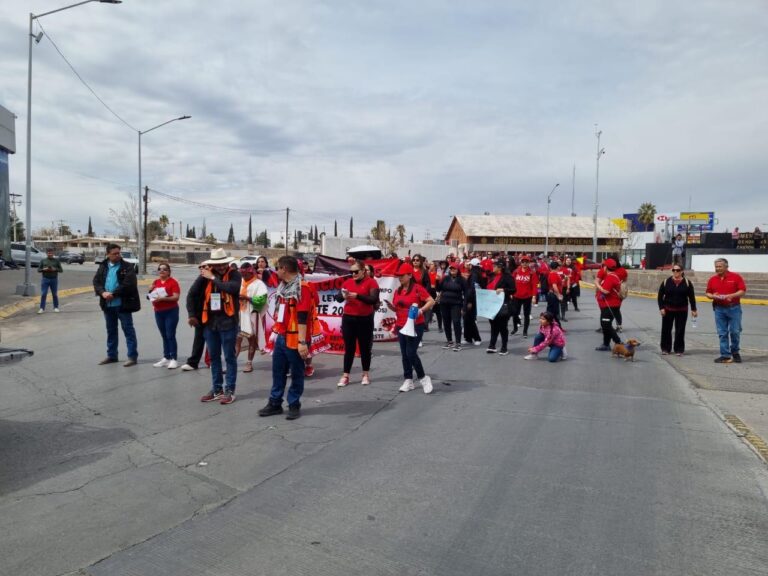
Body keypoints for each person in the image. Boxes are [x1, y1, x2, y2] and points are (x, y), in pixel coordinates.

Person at [259, 256, 315, 420]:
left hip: (296, 338)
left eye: (278, 268)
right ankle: (275, 403)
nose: (276, 271)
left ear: (284, 268)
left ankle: (294, 404)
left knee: (297, 373)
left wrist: (302, 342)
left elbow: (302, 317)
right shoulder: (284, 287)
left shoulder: (302, 287)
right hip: (282, 337)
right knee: (278, 371)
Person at [192, 248, 241, 404]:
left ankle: (230, 390)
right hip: (210, 323)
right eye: (217, 264)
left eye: (223, 264)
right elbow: (191, 294)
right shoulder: (204, 276)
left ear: (227, 262)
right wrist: (191, 315)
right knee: (214, 358)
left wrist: (213, 277)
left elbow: (231, 288)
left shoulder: (234, 274)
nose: (220, 267)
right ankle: (217, 388)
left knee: (229, 357)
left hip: (228, 323)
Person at [385, 262, 435, 393]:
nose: (399, 278)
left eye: (402, 276)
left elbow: (431, 301)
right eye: (398, 276)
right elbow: (398, 308)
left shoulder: (418, 288)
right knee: (404, 354)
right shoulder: (398, 291)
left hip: (416, 325)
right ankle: (408, 379)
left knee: (411, 353)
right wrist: (392, 308)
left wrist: (421, 310)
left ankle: (424, 378)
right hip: (401, 325)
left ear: (409, 275)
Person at [93, 243, 140, 366]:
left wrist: (113, 294)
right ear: (108, 254)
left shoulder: (127, 266)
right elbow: (96, 281)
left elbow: (129, 284)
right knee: (111, 331)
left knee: (128, 330)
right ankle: (112, 355)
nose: (117, 255)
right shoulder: (103, 266)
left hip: (123, 305)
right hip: (107, 305)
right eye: (114, 253)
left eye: (119, 253)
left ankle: (132, 356)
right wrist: (102, 293)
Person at [336, 259, 380, 387]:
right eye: (351, 272)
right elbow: (337, 298)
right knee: (349, 348)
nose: (353, 274)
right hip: (348, 318)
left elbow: (373, 299)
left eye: (356, 271)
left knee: (365, 348)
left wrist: (358, 296)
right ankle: (345, 376)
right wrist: (342, 296)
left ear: (363, 271)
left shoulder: (371, 282)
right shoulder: (348, 282)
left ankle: (365, 374)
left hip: (364, 319)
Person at [705, 258, 747, 363]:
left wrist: (731, 296)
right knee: (722, 333)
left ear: (726, 266)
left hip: (734, 308)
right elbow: (708, 293)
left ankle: (735, 352)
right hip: (719, 309)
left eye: (720, 266)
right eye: (716, 267)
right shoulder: (712, 279)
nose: (717, 268)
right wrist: (712, 296)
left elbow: (742, 291)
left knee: (735, 331)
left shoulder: (736, 277)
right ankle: (725, 355)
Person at [657, 265, 697, 356]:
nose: (675, 272)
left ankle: (679, 349)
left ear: (682, 271)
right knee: (666, 330)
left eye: (678, 270)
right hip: (668, 309)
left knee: (680, 330)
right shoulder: (666, 282)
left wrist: (694, 309)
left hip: (682, 310)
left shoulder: (687, 283)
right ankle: (666, 349)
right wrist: (661, 308)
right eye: (673, 270)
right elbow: (660, 297)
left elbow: (691, 297)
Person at [236, 262, 268, 373]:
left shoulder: (259, 284)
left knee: (251, 340)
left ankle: (249, 363)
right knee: (237, 340)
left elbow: (262, 301)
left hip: (251, 315)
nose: (244, 276)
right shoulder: (239, 282)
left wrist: (247, 298)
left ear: (251, 272)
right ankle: (232, 363)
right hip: (239, 314)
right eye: (242, 274)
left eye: (246, 274)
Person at [149, 263, 181, 369]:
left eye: (165, 269)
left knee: (170, 335)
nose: (162, 271)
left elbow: (176, 297)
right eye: (160, 269)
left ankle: (174, 359)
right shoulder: (156, 282)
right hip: (158, 311)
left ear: (169, 271)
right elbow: (151, 296)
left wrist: (163, 299)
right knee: (164, 335)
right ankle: (166, 357)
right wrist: (150, 291)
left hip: (170, 311)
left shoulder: (173, 282)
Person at [486, 260, 515, 355]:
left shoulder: (508, 277)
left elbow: (513, 290)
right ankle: (492, 345)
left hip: (503, 304)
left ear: (500, 267)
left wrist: (503, 290)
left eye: (495, 266)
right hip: (491, 304)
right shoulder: (491, 276)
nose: (493, 268)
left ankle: (504, 347)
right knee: (493, 325)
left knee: (503, 327)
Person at [181, 264, 207, 371]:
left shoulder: (221, 277)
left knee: (217, 340)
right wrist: (191, 315)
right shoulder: (201, 279)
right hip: (201, 314)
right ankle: (193, 362)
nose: (202, 269)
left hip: (218, 315)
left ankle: (213, 361)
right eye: (200, 267)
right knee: (199, 338)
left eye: (205, 267)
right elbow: (190, 295)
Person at [594, 258, 623, 352]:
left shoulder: (610, 277)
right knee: (606, 324)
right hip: (609, 305)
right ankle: (606, 344)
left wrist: (597, 284)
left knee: (606, 325)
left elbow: (606, 291)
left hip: (609, 305)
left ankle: (618, 342)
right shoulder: (614, 275)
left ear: (606, 267)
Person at [437, 262, 467, 351]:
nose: (452, 270)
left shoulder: (462, 280)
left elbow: (466, 293)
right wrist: (437, 280)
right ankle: (449, 341)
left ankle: (458, 342)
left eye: (454, 269)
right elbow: (438, 289)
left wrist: (464, 306)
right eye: (451, 269)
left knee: (456, 322)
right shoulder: (445, 278)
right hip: (444, 303)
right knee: (446, 322)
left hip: (456, 303)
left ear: (458, 270)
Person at [511, 256, 537, 337]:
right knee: (515, 314)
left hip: (527, 297)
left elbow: (534, 286)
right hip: (516, 296)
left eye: (526, 262)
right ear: (520, 262)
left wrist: (534, 296)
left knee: (526, 315)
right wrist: (511, 293)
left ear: (528, 263)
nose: (524, 263)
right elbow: (512, 283)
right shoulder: (516, 271)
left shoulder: (532, 273)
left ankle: (525, 331)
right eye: (523, 262)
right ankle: (515, 328)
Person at [463, 258, 484, 345]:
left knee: (470, 319)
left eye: (470, 265)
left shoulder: (474, 275)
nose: (469, 266)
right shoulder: (477, 274)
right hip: (473, 298)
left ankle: (477, 338)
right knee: (467, 319)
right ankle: (468, 338)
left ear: (472, 266)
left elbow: (472, 289)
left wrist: (469, 301)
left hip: (471, 299)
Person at [38, 247, 63, 313]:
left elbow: (61, 270)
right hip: (45, 279)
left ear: (53, 253)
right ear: (47, 253)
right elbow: (38, 270)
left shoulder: (56, 261)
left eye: (51, 253)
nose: (50, 254)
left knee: (54, 294)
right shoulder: (43, 260)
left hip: (54, 279)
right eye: (49, 253)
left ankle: (56, 307)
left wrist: (55, 269)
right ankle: (41, 308)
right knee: (44, 294)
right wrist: (44, 269)